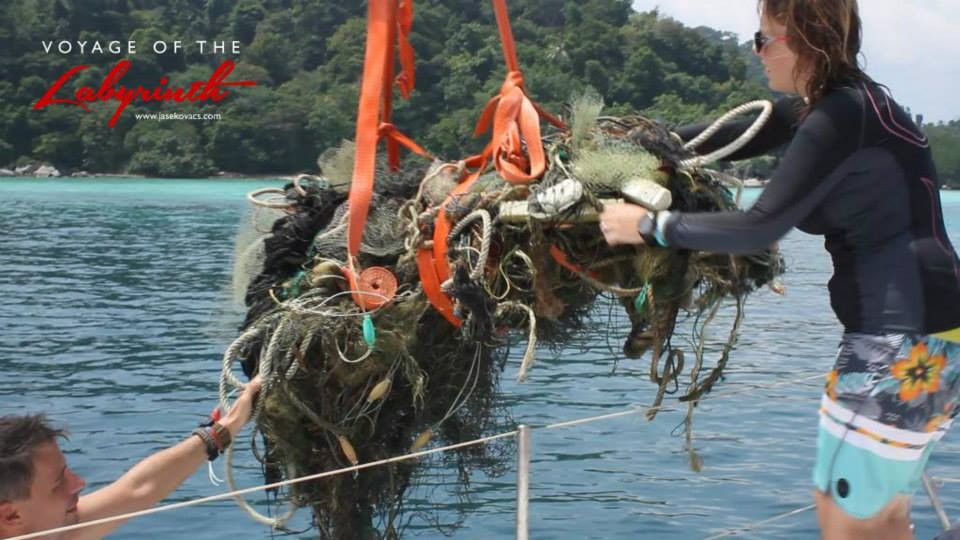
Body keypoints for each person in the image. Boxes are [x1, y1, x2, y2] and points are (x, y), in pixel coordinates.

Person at [599, 1, 960, 539]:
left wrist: (649, 227)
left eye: (764, 39)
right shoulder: (847, 106)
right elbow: (735, 133)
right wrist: (624, 149)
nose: (756, 51)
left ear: (805, 41)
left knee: (847, 516)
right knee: (876, 511)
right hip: (934, 336)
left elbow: (759, 227)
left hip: (897, 342)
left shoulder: (839, 117)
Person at [0, 376, 262, 540]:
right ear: (10, 516)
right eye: (59, 483)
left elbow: (139, 489)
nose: (79, 483)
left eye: (67, 472)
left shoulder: (54, 529)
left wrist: (227, 427)